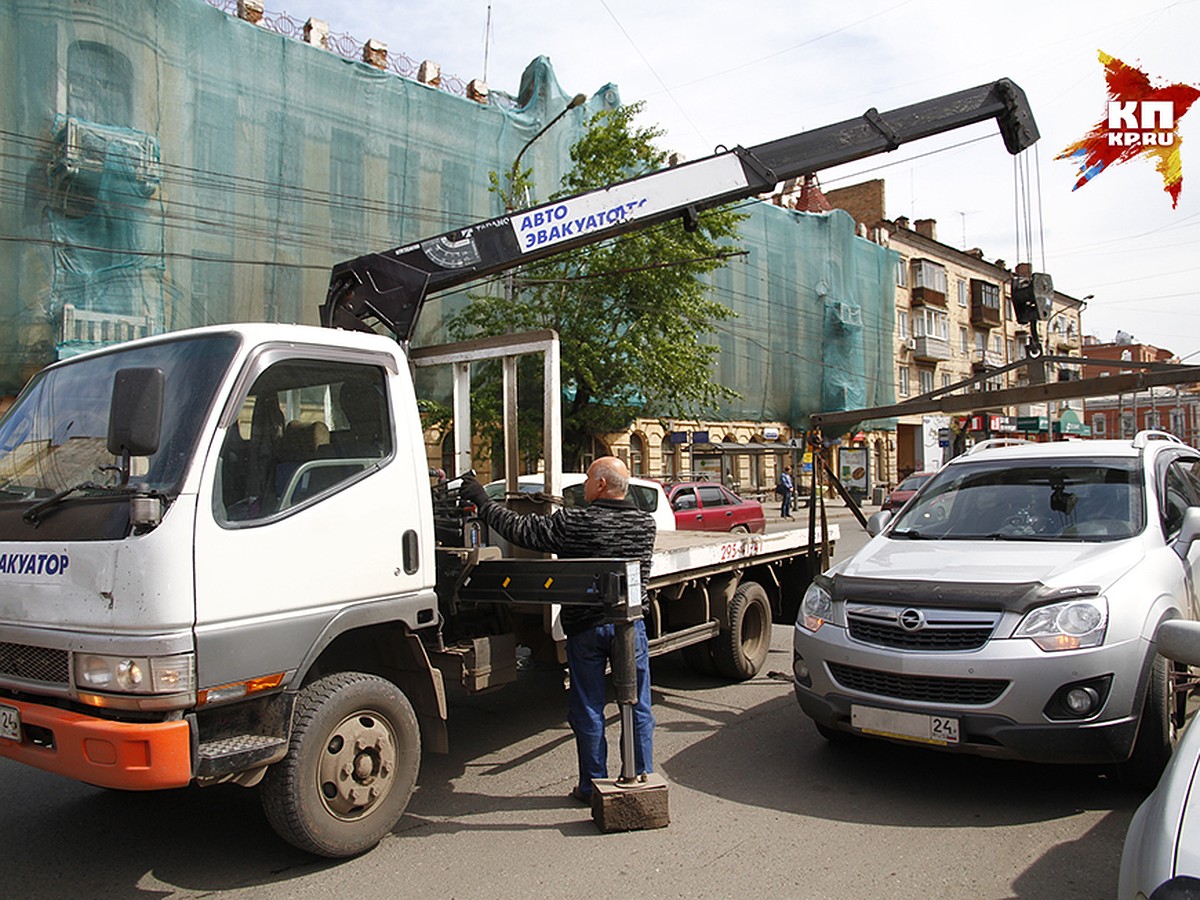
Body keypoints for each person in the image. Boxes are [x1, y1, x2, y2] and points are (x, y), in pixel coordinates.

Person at [458, 457, 656, 804]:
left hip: (586, 630)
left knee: (589, 707)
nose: (584, 485)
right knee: (637, 704)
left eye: (588, 479)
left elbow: (521, 530)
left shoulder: (574, 522)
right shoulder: (645, 524)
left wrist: (484, 502)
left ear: (600, 485)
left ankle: (591, 785)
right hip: (630, 627)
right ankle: (641, 775)